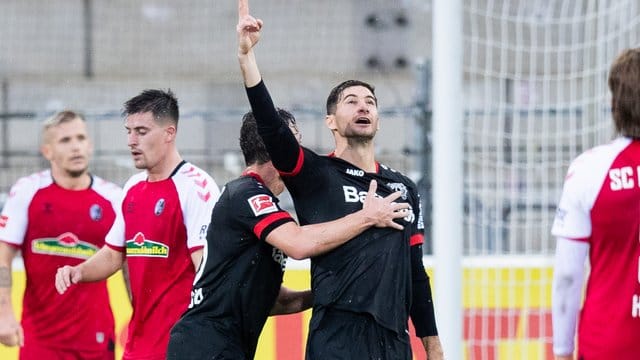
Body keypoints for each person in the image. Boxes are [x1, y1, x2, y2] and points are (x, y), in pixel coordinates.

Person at [236, 2, 444, 359]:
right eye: (351, 101)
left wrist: (433, 345)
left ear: (378, 120)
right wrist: (246, 58)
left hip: (393, 343)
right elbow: (270, 126)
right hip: (336, 340)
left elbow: (415, 276)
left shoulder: (404, 189)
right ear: (331, 121)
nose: (363, 107)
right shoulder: (315, 174)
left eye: (370, 102)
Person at [167, 110, 410, 359]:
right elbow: (298, 244)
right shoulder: (245, 193)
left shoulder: (258, 203)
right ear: (278, 146)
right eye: (295, 140)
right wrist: (367, 217)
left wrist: (331, 292)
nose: (299, 152)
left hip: (223, 346)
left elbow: (276, 301)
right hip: (205, 344)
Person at [55, 89, 220, 360]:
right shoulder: (133, 188)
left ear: (169, 133)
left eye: (141, 132)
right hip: (139, 345)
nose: (131, 141)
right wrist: (79, 271)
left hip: (181, 347)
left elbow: (207, 269)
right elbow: (112, 253)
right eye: (128, 131)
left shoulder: (196, 187)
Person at [0, 110, 120, 359]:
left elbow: (129, 265)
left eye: (80, 138)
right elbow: (3, 255)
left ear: (90, 145)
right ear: (47, 151)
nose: (75, 147)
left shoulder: (114, 198)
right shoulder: (27, 191)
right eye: (65, 141)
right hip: (40, 341)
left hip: (96, 340)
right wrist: (3, 313)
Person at [551, 48, 640, 359]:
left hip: (608, 342)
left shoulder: (589, 169)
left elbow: (567, 274)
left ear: (615, 103)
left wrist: (562, 350)